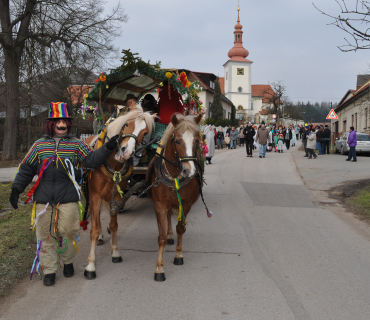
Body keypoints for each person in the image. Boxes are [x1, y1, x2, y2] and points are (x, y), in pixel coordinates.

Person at [9, 102, 119, 286]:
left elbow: (91, 160)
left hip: (68, 196)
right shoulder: (39, 145)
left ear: (69, 124)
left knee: (68, 231)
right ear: (51, 124)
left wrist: (107, 148)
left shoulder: (76, 144)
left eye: (65, 121)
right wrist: (16, 189)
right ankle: (50, 269)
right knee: (45, 235)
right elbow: (27, 168)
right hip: (44, 199)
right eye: (57, 121)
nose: (62, 125)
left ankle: (68, 261)